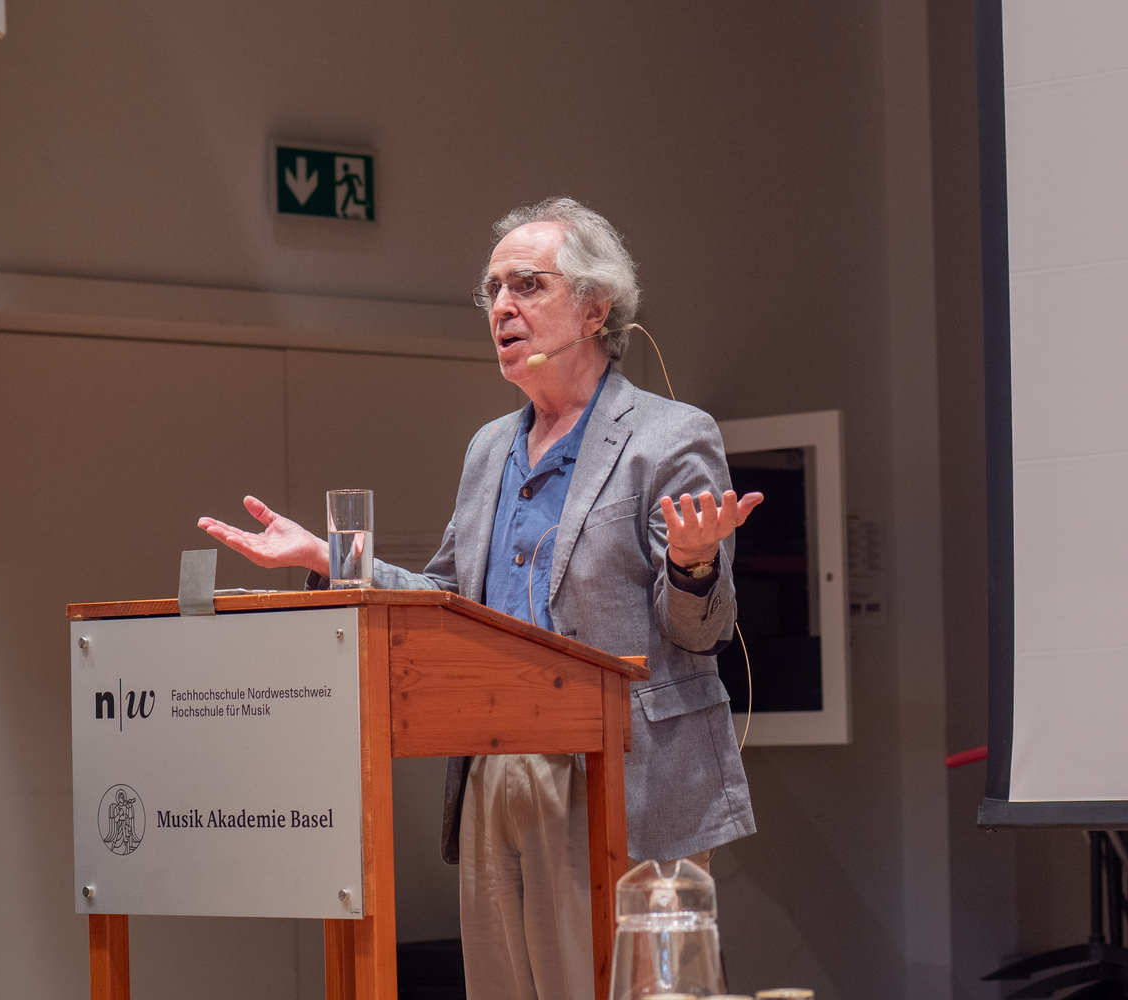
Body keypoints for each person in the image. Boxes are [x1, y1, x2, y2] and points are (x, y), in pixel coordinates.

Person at [198, 197, 759, 1000]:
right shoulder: (490, 447)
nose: (501, 307)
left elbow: (701, 633)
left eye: (527, 285)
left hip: (620, 772)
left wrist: (695, 564)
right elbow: (448, 600)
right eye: (492, 289)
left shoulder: (668, 437)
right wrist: (331, 559)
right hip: (493, 762)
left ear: (595, 308)